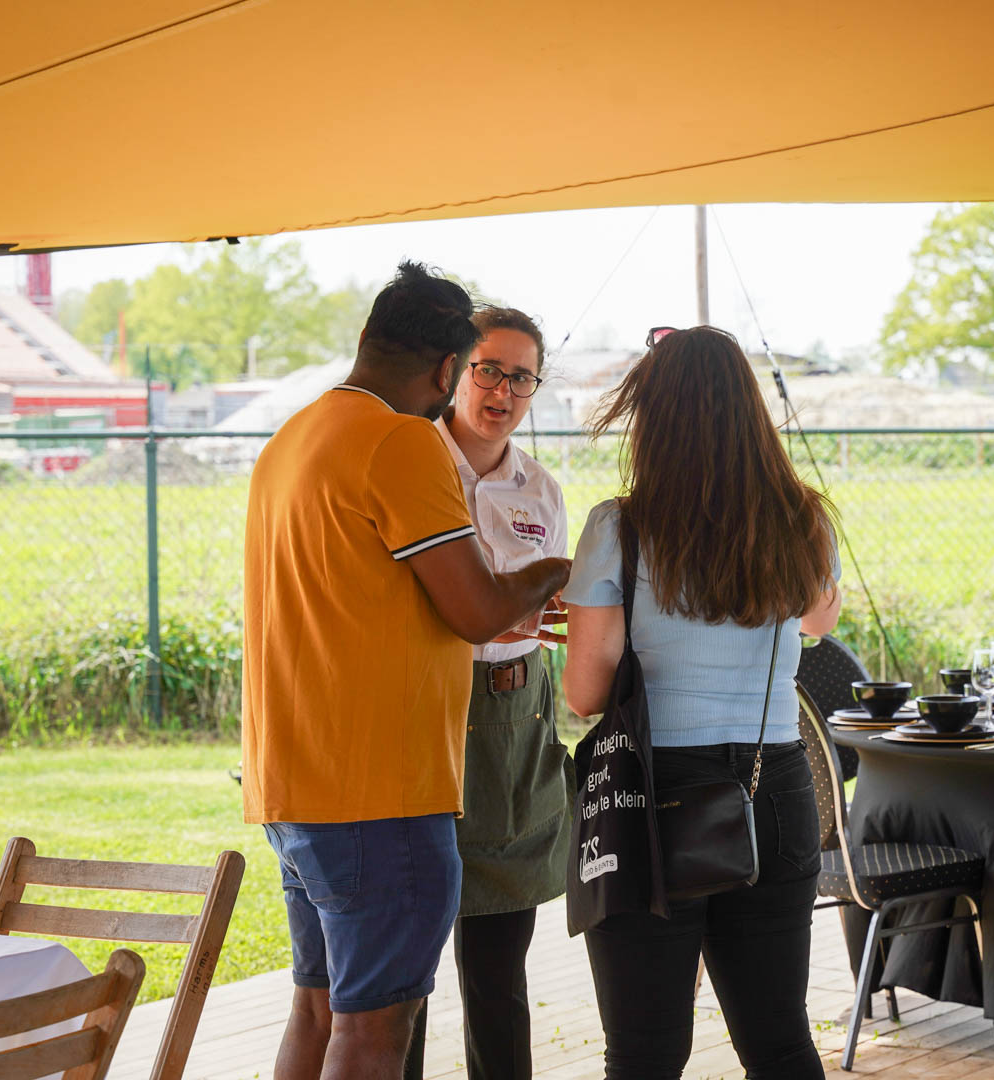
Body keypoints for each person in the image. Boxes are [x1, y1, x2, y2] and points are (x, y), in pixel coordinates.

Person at [241, 261, 570, 1080]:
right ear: (449, 368)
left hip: (294, 780)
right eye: (482, 370)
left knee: (318, 1012)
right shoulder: (402, 442)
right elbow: (478, 610)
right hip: (378, 791)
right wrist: (556, 571)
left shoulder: (294, 437)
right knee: (374, 1034)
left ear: (366, 336)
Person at [560, 325, 842, 1080]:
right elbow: (818, 621)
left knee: (644, 1053)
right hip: (774, 786)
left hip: (648, 797)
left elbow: (585, 694)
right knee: (779, 1043)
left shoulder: (618, 528)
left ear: (651, 418)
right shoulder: (803, 518)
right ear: (752, 413)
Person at [404, 307, 573, 1080]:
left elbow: (543, 609)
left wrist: (534, 614)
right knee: (402, 969)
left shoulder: (540, 489)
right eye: (490, 370)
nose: (503, 391)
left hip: (517, 714)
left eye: (522, 377)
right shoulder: (411, 464)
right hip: (427, 710)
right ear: (454, 371)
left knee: (499, 972)